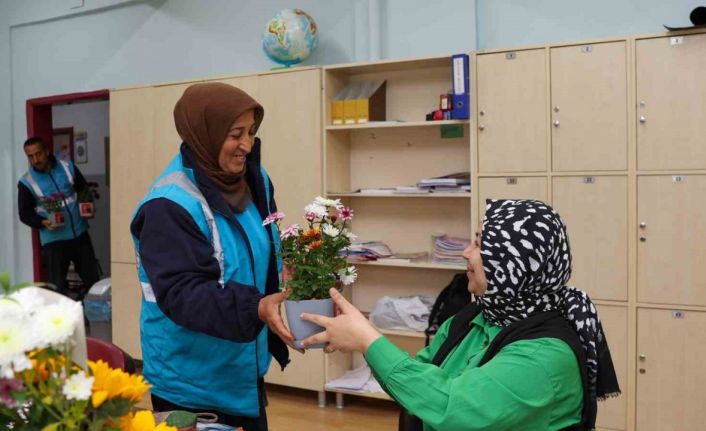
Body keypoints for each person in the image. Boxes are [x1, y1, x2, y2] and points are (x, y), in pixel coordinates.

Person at [301, 199, 621, 431]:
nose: (466, 252)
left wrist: (367, 339)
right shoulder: (472, 317)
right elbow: (417, 382)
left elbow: (452, 409)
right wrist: (360, 336)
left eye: (479, 245)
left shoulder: (546, 355)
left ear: (513, 264)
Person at [130, 82, 296, 431]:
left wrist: (292, 276)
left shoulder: (254, 178)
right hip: (191, 386)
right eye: (235, 134)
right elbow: (185, 294)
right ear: (205, 133)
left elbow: (266, 246)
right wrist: (257, 307)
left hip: (242, 369)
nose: (247, 145)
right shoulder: (169, 205)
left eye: (251, 132)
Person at [17, 137, 100, 301]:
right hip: (54, 242)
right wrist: (42, 222)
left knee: (92, 281)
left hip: (80, 235)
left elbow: (83, 190)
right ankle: (60, 324)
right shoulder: (26, 182)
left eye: (38, 154)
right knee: (56, 288)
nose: (35, 160)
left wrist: (87, 205)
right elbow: (24, 213)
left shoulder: (67, 167)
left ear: (47, 151)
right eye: (30, 156)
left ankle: (97, 321)